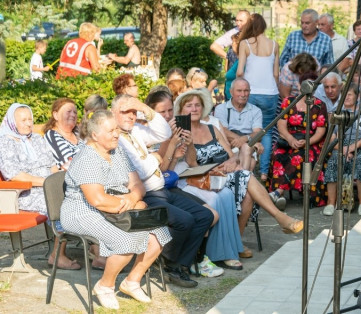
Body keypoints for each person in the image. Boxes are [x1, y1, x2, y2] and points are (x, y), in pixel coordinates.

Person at [60, 110, 171, 309]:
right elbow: (97, 200)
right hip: (82, 211)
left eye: (117, 130)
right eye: (111, 131)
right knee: (127, 241)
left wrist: (133, 198)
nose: (116, 134)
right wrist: (132, 205)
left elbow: (138, 185)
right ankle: (105, 286)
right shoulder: (87, 157)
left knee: (159, 235)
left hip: (118, 205)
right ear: (95, 135)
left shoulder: (117, 150)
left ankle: (132, 281)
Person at [112, 94, 214, 287]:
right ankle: (169, 264)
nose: (131, 116)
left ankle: (179, 264)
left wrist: (143, 107)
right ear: (113, 113)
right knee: (185, 220)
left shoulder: (135, 130)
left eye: (133, 111)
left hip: (161, 189)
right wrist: (157, 158)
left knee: (205, 216)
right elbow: (142, 171)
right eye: (125, 112)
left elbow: (164, 132)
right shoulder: (115, 137)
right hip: (144, 195)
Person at [174, 88, 304, 234]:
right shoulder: (181, 133)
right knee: (246, 176)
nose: (194, 109)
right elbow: (192, 164)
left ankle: (238, 241)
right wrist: (190, 143)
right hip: (204, 178)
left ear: (203, 108)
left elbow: (232, 155)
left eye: (197, 105)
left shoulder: (212, 129)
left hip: (224, 174)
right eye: (189, 105)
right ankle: (280, 217)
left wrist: (232, 162)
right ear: (181, 110)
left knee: (247, 194)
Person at [0, 103, 79, 271]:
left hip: (47, 186)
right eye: (23, 120)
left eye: (30, 119)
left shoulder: (36, 138)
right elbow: (14, 175)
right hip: (25, 193)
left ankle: (95, 250)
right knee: (64, 204)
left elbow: (52, 165)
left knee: (80, 195)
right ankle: (57, 255)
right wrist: (47, 183)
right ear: (12, 122)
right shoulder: (5, 142)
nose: (29, 123)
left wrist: (57, 179)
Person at [269, 72, 329, 208]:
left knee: (300, 156)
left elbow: (321, 131)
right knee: (278, 154)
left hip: (311, 142)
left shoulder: (320, 105)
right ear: (300, 85)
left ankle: (278, 192)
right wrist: (290, 139)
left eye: (313, 85)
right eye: (306, 84)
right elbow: (281, 125)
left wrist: (307, 142)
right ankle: (279, 196)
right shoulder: (289, 102)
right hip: (289, 139)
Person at [236, 13, 279, 182]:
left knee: (249, 130)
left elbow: (240, 71)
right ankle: (264, 172)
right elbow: (276, 74)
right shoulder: (274, 45)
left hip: (251, 93)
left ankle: (248, 167)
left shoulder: (245, 44)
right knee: (266, 132)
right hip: (270, 94)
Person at [323, 85, 361, 217]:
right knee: (333, 161)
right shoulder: (337, 113)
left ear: (357, 97)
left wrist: (352, 147)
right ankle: (331, 203)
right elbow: (331, 138)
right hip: (341, 146)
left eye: (350, 94)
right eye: (344, 95)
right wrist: (343, 150)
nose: (346, 97)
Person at [214, 78, 265, 176]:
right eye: (239, 91)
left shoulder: (256, 110)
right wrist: (249, 142)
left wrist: (245, 138)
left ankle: (241, 180)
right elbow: (223, 131)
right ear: (231, 92)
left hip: (248, 145)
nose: (243, 94)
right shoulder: (221, 109)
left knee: (246, 148)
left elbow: (258, 133)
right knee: (250, 160)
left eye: (246, 91)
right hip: (229, 146)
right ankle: (245, 180)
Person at [44, 98, 80, 171]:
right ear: (56, 115)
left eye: (75, 112)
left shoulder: (78, 132)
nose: (73, 115)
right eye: (68, 112)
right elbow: (69, 164)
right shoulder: (52, 136)